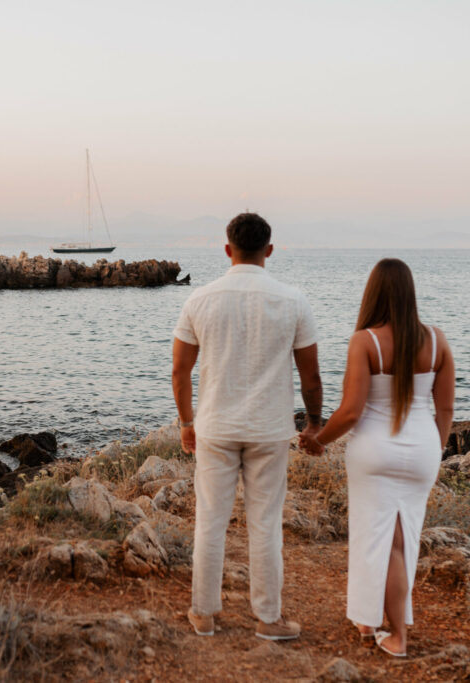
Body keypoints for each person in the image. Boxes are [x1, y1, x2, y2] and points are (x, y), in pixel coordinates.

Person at [172, 212, 323, 640]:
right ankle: (269, 619)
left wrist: (186, 423)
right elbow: (311, 377)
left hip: (215, 427)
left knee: (210, 521)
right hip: (269, 429)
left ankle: (203, 614)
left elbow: (180, 371)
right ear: (269, 250)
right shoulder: (293, 300)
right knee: (265, 524)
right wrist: (313, 424)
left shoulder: (199, 300)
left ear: (227, 249)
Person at [300, 258, 455, 658]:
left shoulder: (365, 341)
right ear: (410, 293)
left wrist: (319, 440)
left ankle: (395, 634)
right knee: (401, 542)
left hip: (374, 450)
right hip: (422, 448)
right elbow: (445, 412)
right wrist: (433, 452)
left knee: (375, 539)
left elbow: (351, 411)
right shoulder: (437, 341)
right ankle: (369, 619)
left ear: (373, 294)